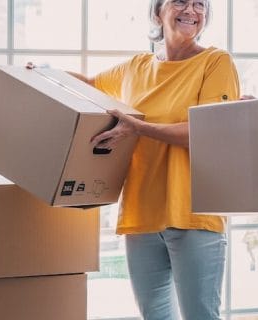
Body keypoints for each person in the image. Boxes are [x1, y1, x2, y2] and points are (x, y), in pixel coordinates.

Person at [35, 0, 238, 319]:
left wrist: (139, 128)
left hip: (193, 214)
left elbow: (209, 132)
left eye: (200, 3)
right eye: (180, 1)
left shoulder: (215, 62)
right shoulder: (136, 67)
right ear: (158, 11)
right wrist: (40, 75)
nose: (192, 10)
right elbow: (88, 87)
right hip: (142, 215)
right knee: (154, 316)